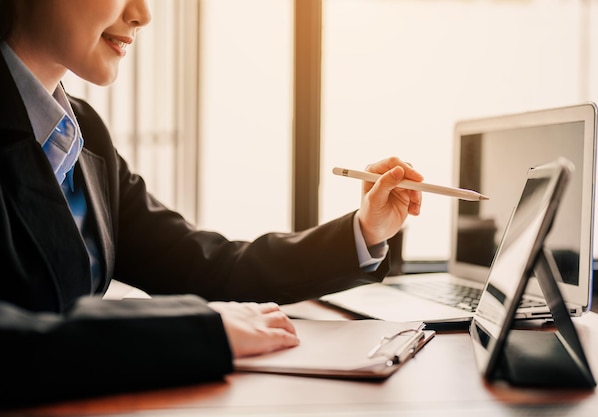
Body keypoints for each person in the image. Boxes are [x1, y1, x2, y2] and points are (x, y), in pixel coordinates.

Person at [0, 0, 424, 407]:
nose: (143, 14)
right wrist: (190, 330)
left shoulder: (83, 132)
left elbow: (201, 264)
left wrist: (365, 230)